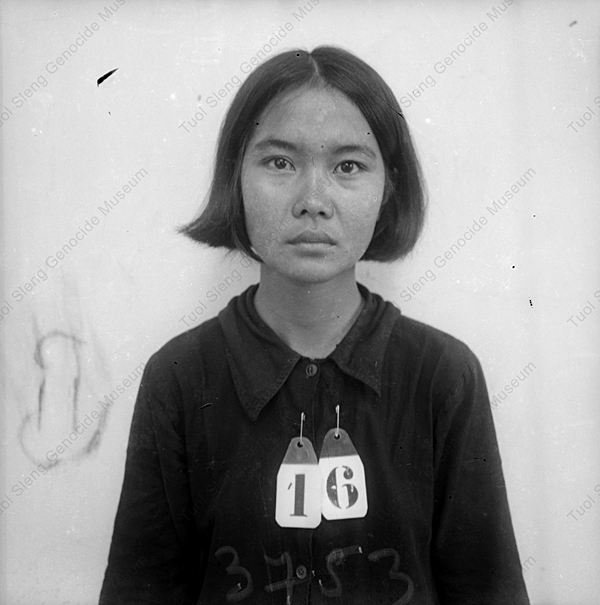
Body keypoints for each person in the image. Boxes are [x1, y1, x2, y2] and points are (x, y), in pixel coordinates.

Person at [99, 46, 530, 604]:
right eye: (280, 162)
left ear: (388, 188)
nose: (313, 201)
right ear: (236, 179)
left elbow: (487, 590)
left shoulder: (444, 376)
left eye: (348, 166)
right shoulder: (179, 378)